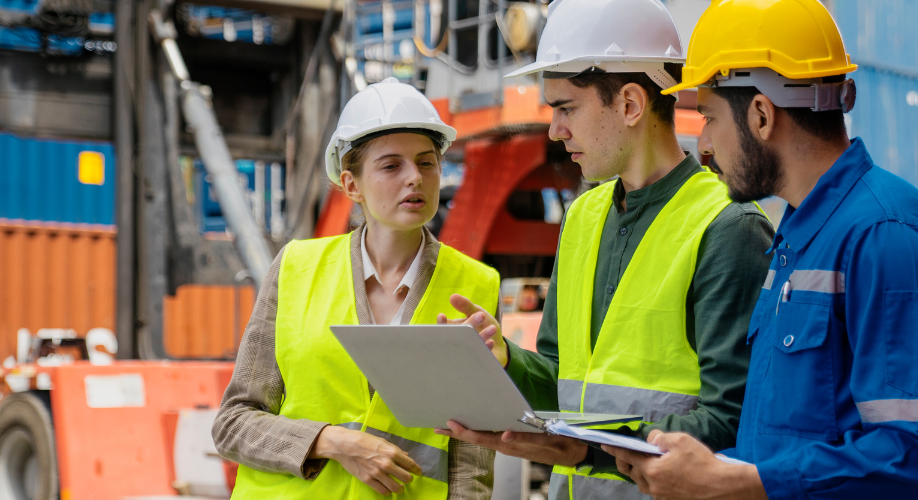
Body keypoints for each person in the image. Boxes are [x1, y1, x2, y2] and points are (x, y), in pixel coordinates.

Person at [600, 1, 918, 499]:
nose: (704, 144)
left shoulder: (886, 235)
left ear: (760, 115)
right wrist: (702, 468)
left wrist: (745, 482)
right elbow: (786, 441)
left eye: (709, 117)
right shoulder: (801, 236)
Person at [433, 0, 773, 498]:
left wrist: (590, 450)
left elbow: (733, 427)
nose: (555, 130)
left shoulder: (727, 228)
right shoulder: (583, 217)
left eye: (566, 108)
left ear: (631, 104)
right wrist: (505, 360)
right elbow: (561, 387)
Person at [213, 78, 503, 499]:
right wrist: (334, 442)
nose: (414, 179)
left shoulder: (475, 285)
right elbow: (233, 424)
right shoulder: (296, 268)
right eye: (391, 166)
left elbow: (471, 461)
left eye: (426, 163)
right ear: (352, 185)